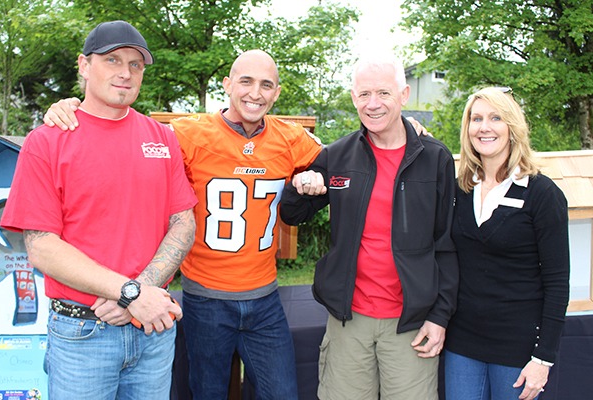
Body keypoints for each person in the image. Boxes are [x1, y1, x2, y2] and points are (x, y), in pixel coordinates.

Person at [43, 49, 431, 399]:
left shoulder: (289, 137)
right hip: (205, 298)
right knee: (208, 391)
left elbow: (354, 156)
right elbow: (126, 136)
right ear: (227, 85)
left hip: (264, 298)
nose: (255, 93)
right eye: (245, 81)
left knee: (282, 392)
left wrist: (405, 130)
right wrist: (75, 104)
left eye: (266, 85)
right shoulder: (189, 134)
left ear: (276, 93)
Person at [1, 20, 197, 400]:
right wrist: (128, 292)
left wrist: (141, 292)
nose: (125, 73)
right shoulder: (47, 142)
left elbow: (182, 222)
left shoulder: (161, 138)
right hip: (81, 336)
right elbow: (41, 246)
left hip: (152, 330)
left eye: (136, 64)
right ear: (84, 65)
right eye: (112, 60)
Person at [279, 54, 459, 399]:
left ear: (404, 95)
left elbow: (447, 244)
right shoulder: (338, 155)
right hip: (349, 321)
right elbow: (292, 214)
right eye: (364, 94)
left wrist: (440, 316)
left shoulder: (435, 158)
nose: (373, 104)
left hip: (411, 322)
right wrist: (301, 183)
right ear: (353, 97)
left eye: (383, 93)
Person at [443, 87, 570, 400]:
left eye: (495, 117)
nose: (484, 127)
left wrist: (543, 358)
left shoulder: (541, 193)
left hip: (519, 348)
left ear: (512, 126)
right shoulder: (460, 189)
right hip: (462, 345)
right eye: (476, 119)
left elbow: (557, 283)